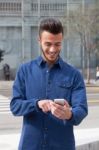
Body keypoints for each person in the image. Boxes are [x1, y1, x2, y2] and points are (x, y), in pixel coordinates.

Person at [10, 18, 88, 150]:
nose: (53, 49)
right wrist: (36, 104)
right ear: (39, 41)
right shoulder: (24, 71)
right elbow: (15, 106)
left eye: (57, 44)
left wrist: (69, 114)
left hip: (62, 146)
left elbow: (82, 109)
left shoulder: (74, 75)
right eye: (48, 44)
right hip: (30, 146)